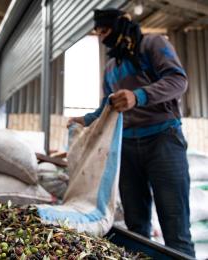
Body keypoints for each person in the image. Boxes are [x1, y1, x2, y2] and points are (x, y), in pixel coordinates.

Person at [67, 9, 195, 257]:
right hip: (126, 146)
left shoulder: (153, 44)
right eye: (98, 33)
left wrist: (139, 96)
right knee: (136, 227)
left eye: (105, 31)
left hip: (163, 141)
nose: (102, 38)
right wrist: (85, 119)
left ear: (120, 27)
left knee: (175, 226)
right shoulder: (111, 67)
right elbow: (108, 105)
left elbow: (178, 80)